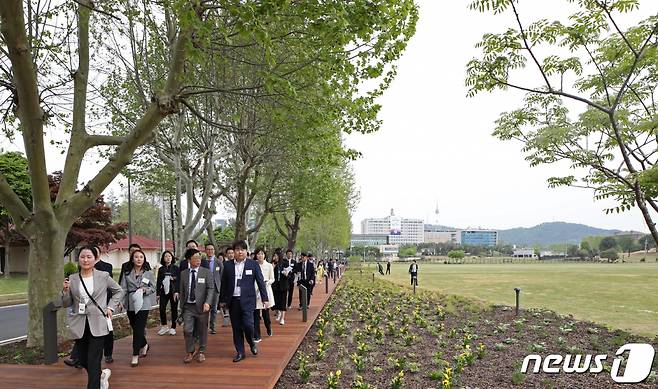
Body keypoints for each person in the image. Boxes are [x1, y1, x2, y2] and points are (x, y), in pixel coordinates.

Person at [59, 246, 123, 389]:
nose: (85, 260)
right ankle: (101, 375)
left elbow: (119, 291)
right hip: (79, 323)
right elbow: (67, 303)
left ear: (96, 259)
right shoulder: (73, 278)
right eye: (82, 256)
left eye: (89, 257)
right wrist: (65, 291)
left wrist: (110, 307)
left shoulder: (103, 275)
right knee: (81, 358)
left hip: (98, 322)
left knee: (93, 359)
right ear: (78, 258)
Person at [219, 240, 269, 363]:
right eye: (237, 250)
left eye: (242, 249)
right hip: (233, 301)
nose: (240, 252)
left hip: (248, 300)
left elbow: (260, 282)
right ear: (233, 252)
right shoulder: (228, 265)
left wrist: (265, 298)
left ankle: (251, 342)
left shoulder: (253, 264)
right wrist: (222, 300)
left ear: (246, 251)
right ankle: (240, 352)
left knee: (248, 325)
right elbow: (224, 284)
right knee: (236, 328)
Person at [177, 248, 214, 363]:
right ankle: (190, 351)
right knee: (187, 330)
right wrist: (181, 308)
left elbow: (211, 288)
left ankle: (201, 351)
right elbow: (182, 291)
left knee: (202, 330)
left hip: (202, 306)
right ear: (189, 260)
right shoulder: (183, 274)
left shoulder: (206, 272)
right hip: (188, 306)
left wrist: (208, 302)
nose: (198, 260)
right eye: (195, 258)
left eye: (199, 258)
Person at [120, 249, 156, 367]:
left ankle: (135, 354)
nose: (139, 259)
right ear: (132, 259)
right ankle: (144, 344)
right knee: (134, 327)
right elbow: (123, 288)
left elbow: (153, 288)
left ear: (144, 259)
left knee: (138, 329)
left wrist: (144, 290)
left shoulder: (148, 273)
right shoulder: (126, 272)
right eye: (136, 257)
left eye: (141, 257)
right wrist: (120, 301)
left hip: (143, 303)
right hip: (130, 302)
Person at [253, 248, 275, 342]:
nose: (260, 256)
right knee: (256, 314)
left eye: (262, 254)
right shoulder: (253, 264)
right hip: (255, 291)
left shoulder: (269, 265)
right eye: (258, 254)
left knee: (266, 314)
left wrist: (266, 283)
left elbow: (272, 279)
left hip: (266, 290)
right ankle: (257, 335)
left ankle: (268, 327)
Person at [156, 250, 179, 336]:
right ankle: (164, 326)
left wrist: (177, 290)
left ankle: (173, 327)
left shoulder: (176, 268)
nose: (168, 258)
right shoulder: (161, 269)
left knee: (174, 309)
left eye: (169, 256)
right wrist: (157, 294)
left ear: (172, 257)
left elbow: (178, 279)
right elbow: (158, 281)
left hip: (173, 292)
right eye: (166, 256)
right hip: (163, 292)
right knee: (162, 308)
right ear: (163, 258)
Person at [205, 243, 223, 334]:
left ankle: (213, 326)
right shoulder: (202, 261)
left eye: (212, 249)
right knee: (204, 307)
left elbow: (221, 275)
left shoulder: (218, 262)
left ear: (214, 251)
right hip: (204, 288)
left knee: (214, 308)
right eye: (208, 249)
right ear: (205, 251)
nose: (210, 251)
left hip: (215, 287)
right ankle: (204, 327)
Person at [271, 250, 290, 325]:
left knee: (283, 302)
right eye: (274, 256)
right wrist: (272, 268)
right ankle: (278, 313)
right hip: (275, 285)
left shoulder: (285, 263)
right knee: (276, 301)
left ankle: (282, 318)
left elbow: (289, 275)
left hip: (283, 285)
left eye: (276, 256)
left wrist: (286, 274)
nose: (275, 257)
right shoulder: (272, 264)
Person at [221, 246, 235, 327]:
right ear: (226, 255)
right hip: (226, 288)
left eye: (232, 253)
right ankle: (226, 318)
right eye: (229, 253)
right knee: (225, 305)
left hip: (234, 289)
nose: (231, 255)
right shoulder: (224, 264)